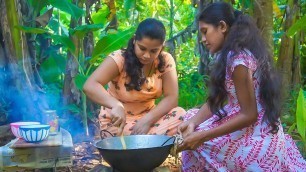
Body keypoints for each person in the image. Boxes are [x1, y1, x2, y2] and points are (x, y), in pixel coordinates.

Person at [177, 2, 306, 171]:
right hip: (246, 124)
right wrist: (193, 123)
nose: (202, 39)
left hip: (257, 137)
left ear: (222, 26)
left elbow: (249, 114)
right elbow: (217, 99)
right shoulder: (230, 54)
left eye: (205, 31)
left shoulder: (239, 61)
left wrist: (201, 136)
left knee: (198, 142)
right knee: (190, 117)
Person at [83, 18, 186, 137]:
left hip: (150, 119)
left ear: (162, 47)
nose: (147, 55)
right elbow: (90, 85)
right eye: (142, 48)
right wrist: (116, 105)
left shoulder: (166, 60)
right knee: (122, 135)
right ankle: (147, 143)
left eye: (154, 51)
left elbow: (172, 98)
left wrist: (147, 120)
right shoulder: (119, 59)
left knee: (181, 114)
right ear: (134, 40)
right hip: (118, 121)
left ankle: (143, 142)